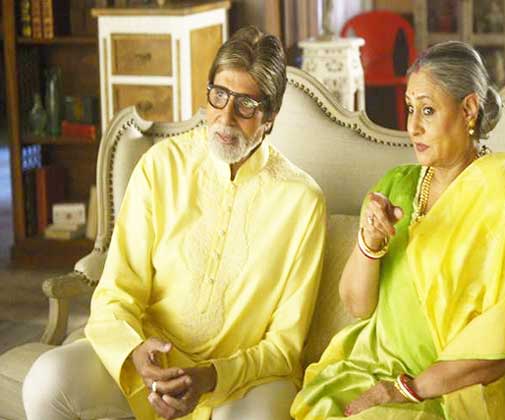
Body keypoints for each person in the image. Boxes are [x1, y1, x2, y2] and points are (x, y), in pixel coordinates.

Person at [23, 26, 326, 420]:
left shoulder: (303, 202)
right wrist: (135, 352)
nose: (225, 117)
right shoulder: (161, 165)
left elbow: (285, 344)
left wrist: (211, 376)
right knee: (46, 381)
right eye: (219, 95)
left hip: (240, 380)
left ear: (270, 116)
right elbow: (117, 291)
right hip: (149, 364)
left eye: (246, 105)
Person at [291, 41, 505, 420]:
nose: (412, 126)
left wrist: (405, 389)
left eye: (428, 110)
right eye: (410, 109)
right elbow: (357, 306)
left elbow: (502, 340)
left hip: (456, 386)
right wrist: (369, 243)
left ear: (468, 109)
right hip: (374, 367)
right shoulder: (396, 185)